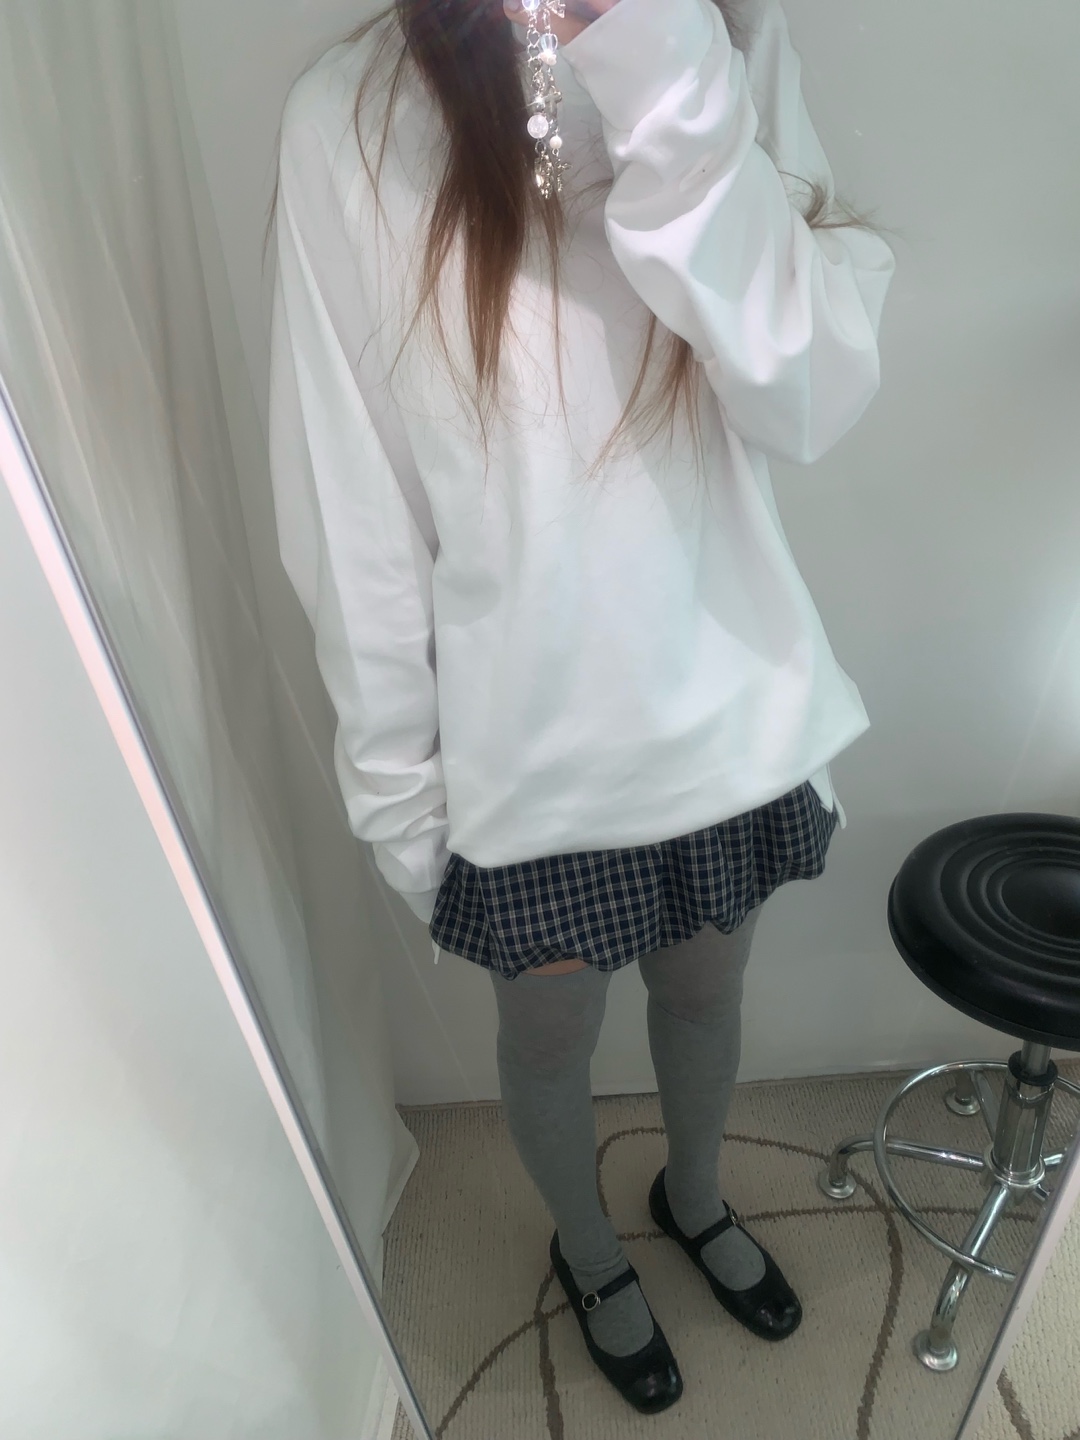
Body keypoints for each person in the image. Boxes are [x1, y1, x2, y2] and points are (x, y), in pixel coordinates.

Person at [267, 0, 895, 1415]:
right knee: (548, 1041)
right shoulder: (349, 117)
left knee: (708, 994)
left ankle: (697, 1195)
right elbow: (352, 499)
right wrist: (401, 792)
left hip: (724, 712)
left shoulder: (719, 43)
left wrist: (667, 65)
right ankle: (594, 1254)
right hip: (528, 750)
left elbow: (807, 395)